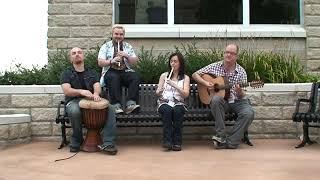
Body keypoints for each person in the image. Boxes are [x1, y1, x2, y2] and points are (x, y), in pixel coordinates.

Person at [192, 44, 254, 149]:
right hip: (222, 102)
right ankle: (220, 135)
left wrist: (239, 91)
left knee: (249, 113)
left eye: (232, 53)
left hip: (237, 101)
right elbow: (195, 75)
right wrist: (206, 83)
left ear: (236, 56)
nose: (228, 55)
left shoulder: (241, 72)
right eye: (227, 52)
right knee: (216, 99)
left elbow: (242, 94)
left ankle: (230, 142)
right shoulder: (214, 66)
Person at [60, 47, 118, 155]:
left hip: (91, 100)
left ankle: (108, 142)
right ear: (70, 58)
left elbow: (97, 86)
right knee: (74, 111)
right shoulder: (66, 73)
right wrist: (81, 92)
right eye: (74, 53)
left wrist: (96, 93)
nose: (77, 54)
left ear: (83, 56)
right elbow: (67, 90)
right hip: (74, 101)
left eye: (79, 52)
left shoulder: (92, 72)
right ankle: (77, 139)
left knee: (110, 108)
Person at [98, 24, 140, 114]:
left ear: (123, 36)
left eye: (121, 34)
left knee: (135, 76)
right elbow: (100, 62)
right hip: (110, 71)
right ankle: (116, 105)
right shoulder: (106, 46)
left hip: (124, 71)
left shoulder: (127, 46)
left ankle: (131, 104)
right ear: (112, 34)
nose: (118, 36)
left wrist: (127, 56)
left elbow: (135, 62)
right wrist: (111, 61)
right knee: (113, 77)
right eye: (116, 34)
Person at [156, 52, 190, 151]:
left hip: (179, 103)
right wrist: (159, 91)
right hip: (164, 101)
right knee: (167, 111)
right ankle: (167, 141)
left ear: (180, 63)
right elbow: (158, 92)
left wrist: (174, 85)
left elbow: (185, 94)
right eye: (171, 61)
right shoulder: (164, 75)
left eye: (175, 61)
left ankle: (177, 142)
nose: (173, 64)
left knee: (177, 111)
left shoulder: (185, 78)